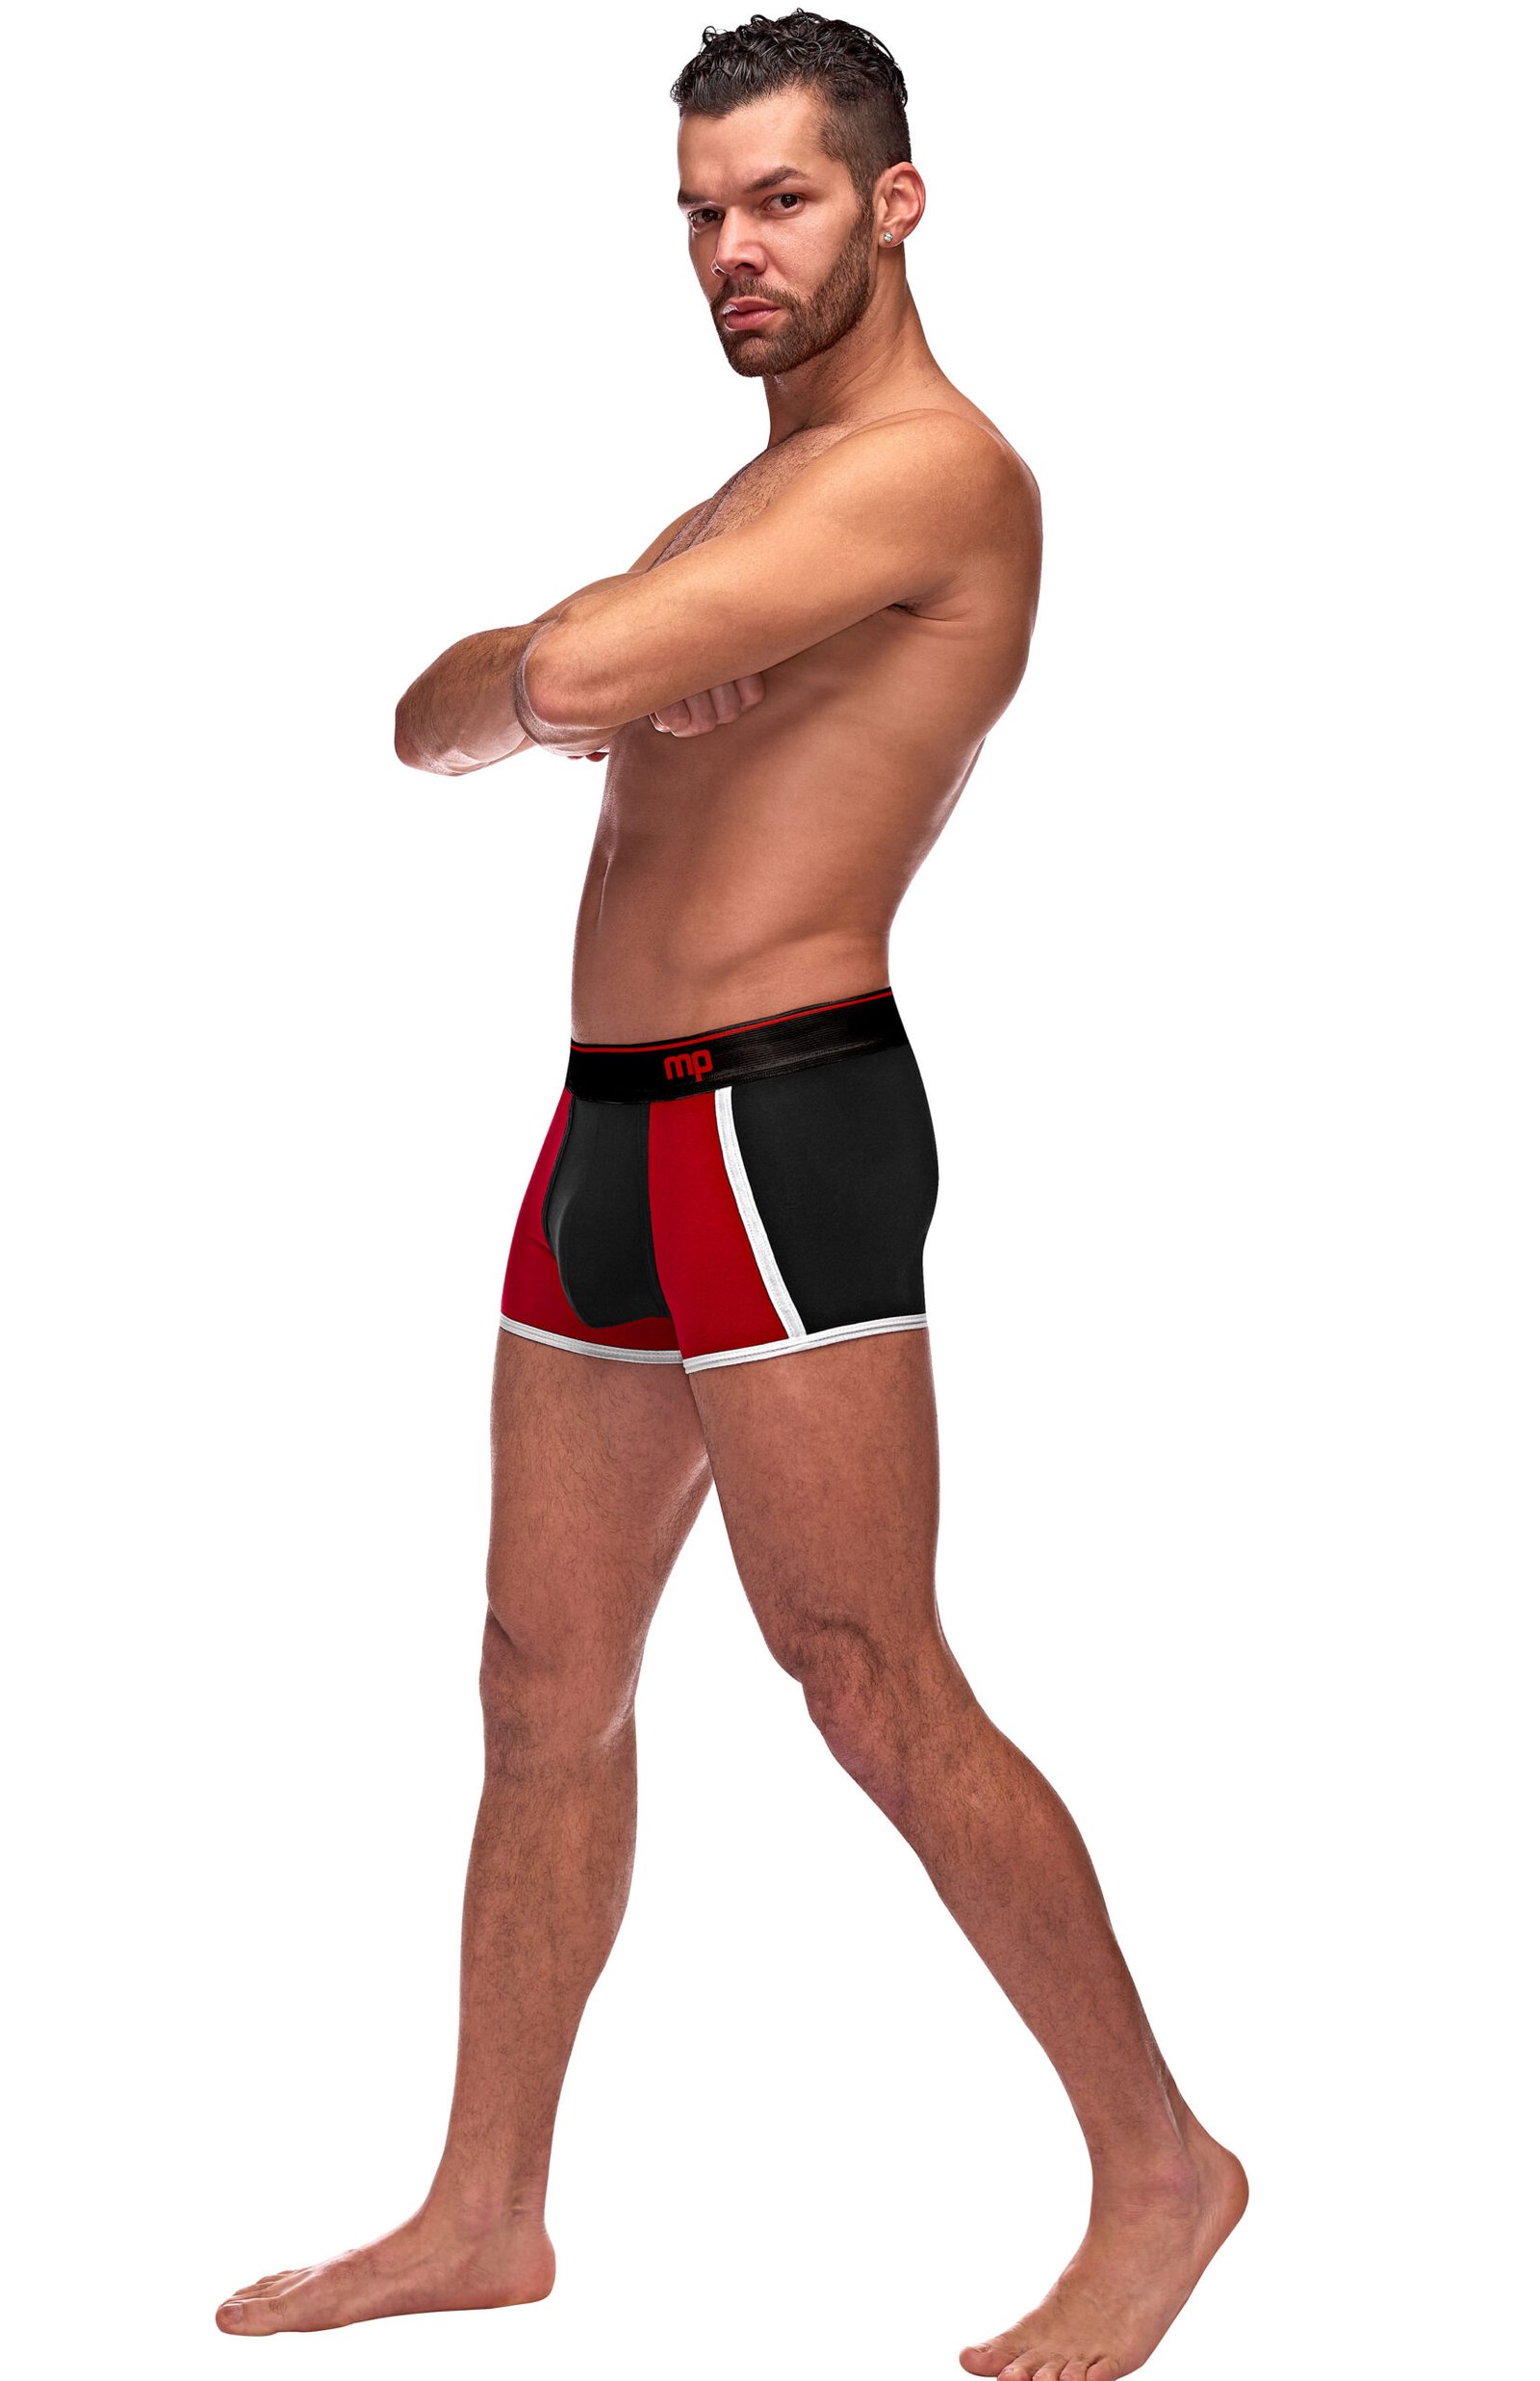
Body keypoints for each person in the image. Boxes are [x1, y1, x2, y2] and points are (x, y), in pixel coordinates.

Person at [217, 13, 1247, 2368]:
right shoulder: (735, 516)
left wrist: (561, 671)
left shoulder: (931, 477)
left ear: (894, 200)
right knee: (536, 1675)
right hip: (601, 1126)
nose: (728, 253)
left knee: (864, 1674)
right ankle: (484, 2208)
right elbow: (429, 718)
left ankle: (1160, 2167)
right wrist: (558, 675)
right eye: (697, 213)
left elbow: (551, 668)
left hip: (778, 1122)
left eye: (776, 200)